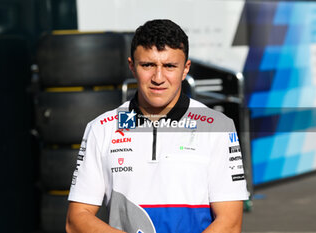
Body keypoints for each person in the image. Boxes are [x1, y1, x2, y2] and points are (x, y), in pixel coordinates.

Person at [66, 19, 249, 233]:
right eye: (148, 65)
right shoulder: (102, 128)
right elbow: (76, 220)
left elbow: (230, 222)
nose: (158, 78)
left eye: (169, 66)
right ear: (132, 66)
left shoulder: (218, 127)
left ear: (185, 69)